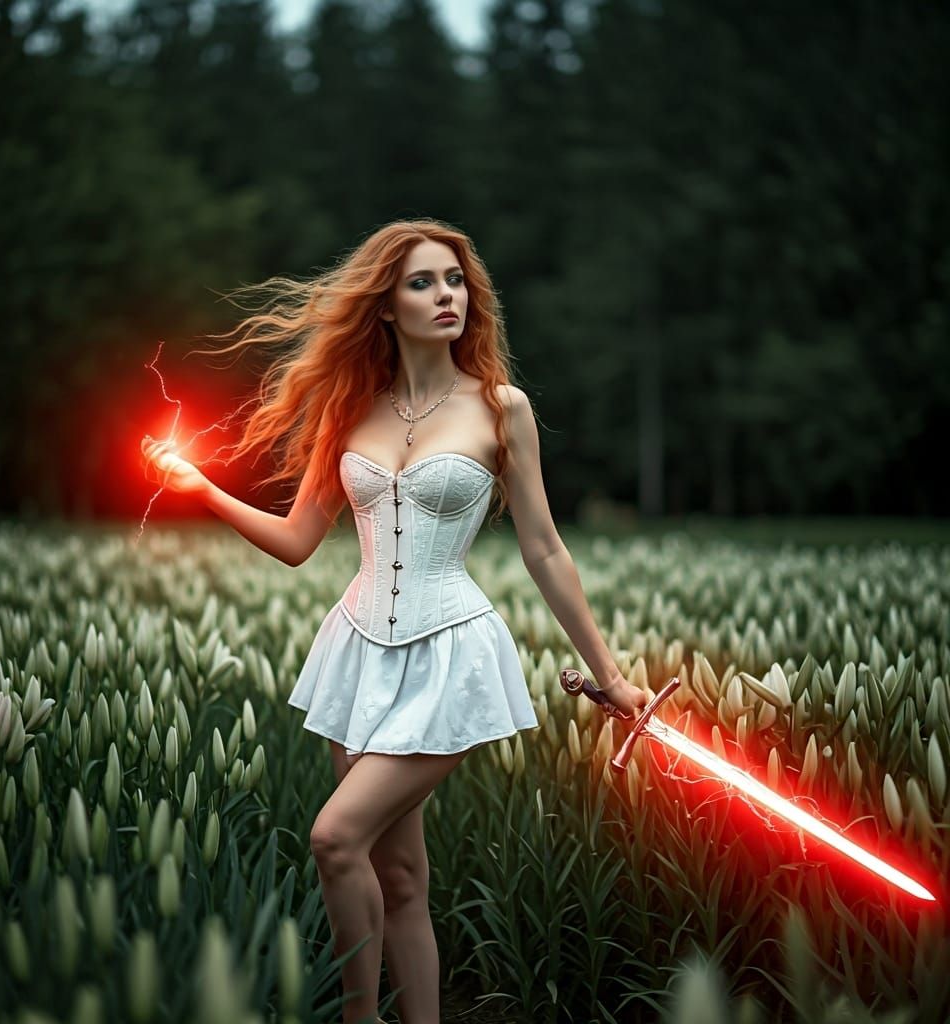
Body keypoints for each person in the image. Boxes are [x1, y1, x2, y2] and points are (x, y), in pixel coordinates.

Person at [141, 218, 648, 1024]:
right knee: (401, 877)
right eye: (422, 282)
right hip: (358, 649)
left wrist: (612, 676)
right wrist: (202, 490)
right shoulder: (347, 410)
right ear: (384, 305)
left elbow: (545, 549)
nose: (445, 295)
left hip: (449, 654)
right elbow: (299, 543)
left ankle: (357, 1016)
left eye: (455, 281)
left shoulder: (499, 407)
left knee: (334, 838)